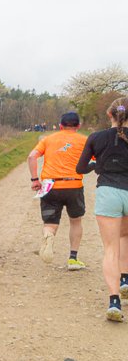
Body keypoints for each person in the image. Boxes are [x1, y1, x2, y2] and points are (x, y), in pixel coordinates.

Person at [76, 97, 128, 322]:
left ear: (109, 114)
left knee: (110, 248)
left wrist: (97, 165)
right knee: (125, 237)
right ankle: (125, 279)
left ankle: (114, 301)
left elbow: (80, 168)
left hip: (108, 193)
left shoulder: (96, 137)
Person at [27, 112, 88, 269]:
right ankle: (73, 259)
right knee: (76, 221)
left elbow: (32, 157)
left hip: (50, 186)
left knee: (50, 222)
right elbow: (93, 161)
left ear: (60, 126)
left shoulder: (48, 139)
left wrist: (35, 179)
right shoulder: (84, 140)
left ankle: (48, 236)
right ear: (78, 126)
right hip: (74, 185)